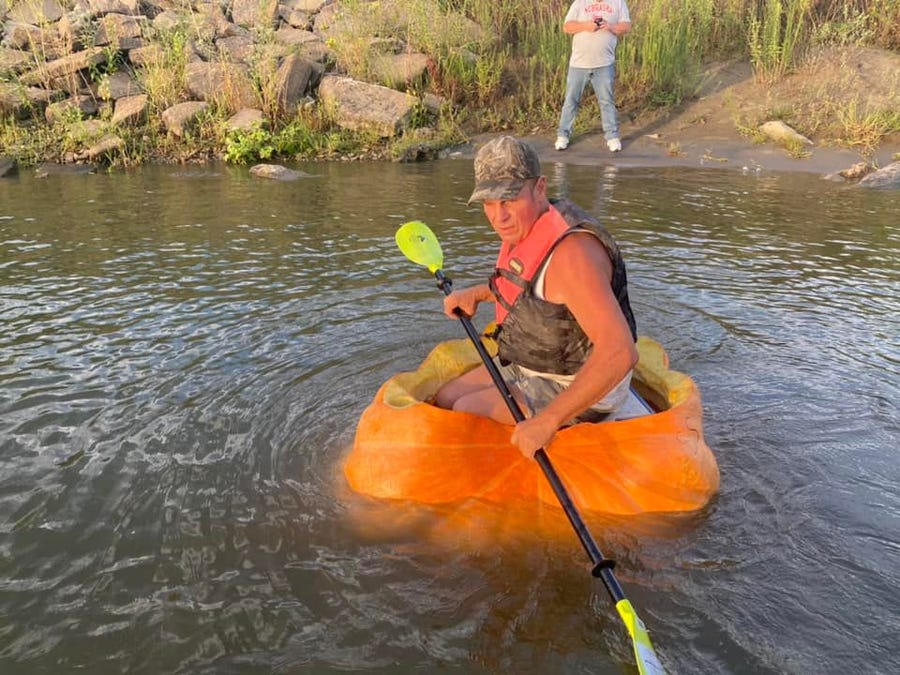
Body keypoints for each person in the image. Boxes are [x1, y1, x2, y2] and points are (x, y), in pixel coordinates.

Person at [435, 136, 647, 459]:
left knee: (466, 408)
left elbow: (620, 353)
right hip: (537, 362)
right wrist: (476, 294)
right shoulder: (528, 224)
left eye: (509, 199)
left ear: (539, 188)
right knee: (447, 398)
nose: (499, 216)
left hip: (578, 384)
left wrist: (548, 420)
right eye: (489, 202)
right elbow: (528, 288)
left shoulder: (572, 256)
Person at [554, 0, 632, 153]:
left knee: (607, 101)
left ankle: (612, 137)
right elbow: (567, 27)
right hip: (578, 64)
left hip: (604, 64)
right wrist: (586, 26)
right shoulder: (579, 3)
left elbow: (626, 26)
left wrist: (610, 26)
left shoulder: (618, 3)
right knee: (571, 100)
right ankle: (563, 135)